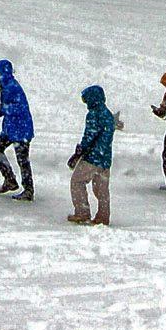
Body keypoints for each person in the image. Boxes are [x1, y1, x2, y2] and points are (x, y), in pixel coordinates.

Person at [66, 84, 116, 226]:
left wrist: (79, 151)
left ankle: (82, 213)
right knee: (101, 189)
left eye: (86, 99)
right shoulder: (107, 114)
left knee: (77, 181)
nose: (85, 102)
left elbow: (89, 136)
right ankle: (103, 217)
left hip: (93, 157)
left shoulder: (93, 114)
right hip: (105, 158)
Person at [0, 59, 34, 200]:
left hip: (21, 129)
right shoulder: (6, 85)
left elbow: (20, 108)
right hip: (12, 128)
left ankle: (28, 189)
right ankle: (10, 180)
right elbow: (9, 106)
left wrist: (2, 108)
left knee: (22, 160)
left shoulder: (12, 87)